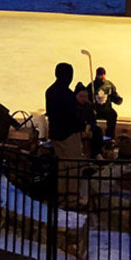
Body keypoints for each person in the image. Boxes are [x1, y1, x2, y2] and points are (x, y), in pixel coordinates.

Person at [45, 62, 88, 205]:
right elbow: (72, 116)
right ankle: (71, 199)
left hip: (55, 134)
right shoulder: (67, 94)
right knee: (74, 167)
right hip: (69, 135)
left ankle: (61, 197)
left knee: (62, 167)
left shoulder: (50, 91)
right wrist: (82, 126)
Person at [90, 66, 123, 139]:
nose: (100, 76)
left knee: (113, 114)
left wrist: (118, 100)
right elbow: (87, 98)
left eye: (101, 75)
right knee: (90, 117)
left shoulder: (109, 85)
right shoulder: (91, 86)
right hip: (95, 110)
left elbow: (114, 96)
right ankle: (94, 137)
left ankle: (108, 138)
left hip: (106, 109)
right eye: (99, 75)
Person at [75, 81, 104, 158]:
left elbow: (92, 120)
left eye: (85, 97)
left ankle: (97, 153)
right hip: (76, 129)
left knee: (97, 131)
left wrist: (90, 127)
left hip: (87, 128)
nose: (83, 99)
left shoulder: (88, 106)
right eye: (81, 96)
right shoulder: (73, 107)